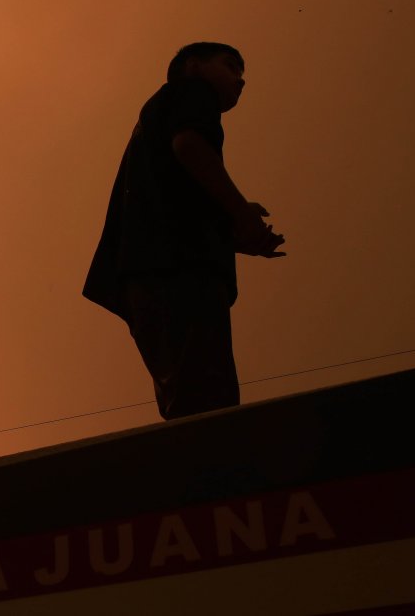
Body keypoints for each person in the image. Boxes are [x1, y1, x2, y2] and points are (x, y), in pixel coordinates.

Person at [83, 42, 286, 420]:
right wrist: (240, 213)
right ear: (193, 66)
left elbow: (173, 198)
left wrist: (230, 226)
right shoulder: (194, 93)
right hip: (178, 272)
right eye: (230, 66)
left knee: (187, 399)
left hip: (147, 277)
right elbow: (190, 146)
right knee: (208, 401)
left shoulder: (155, 118)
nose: (240, 81)